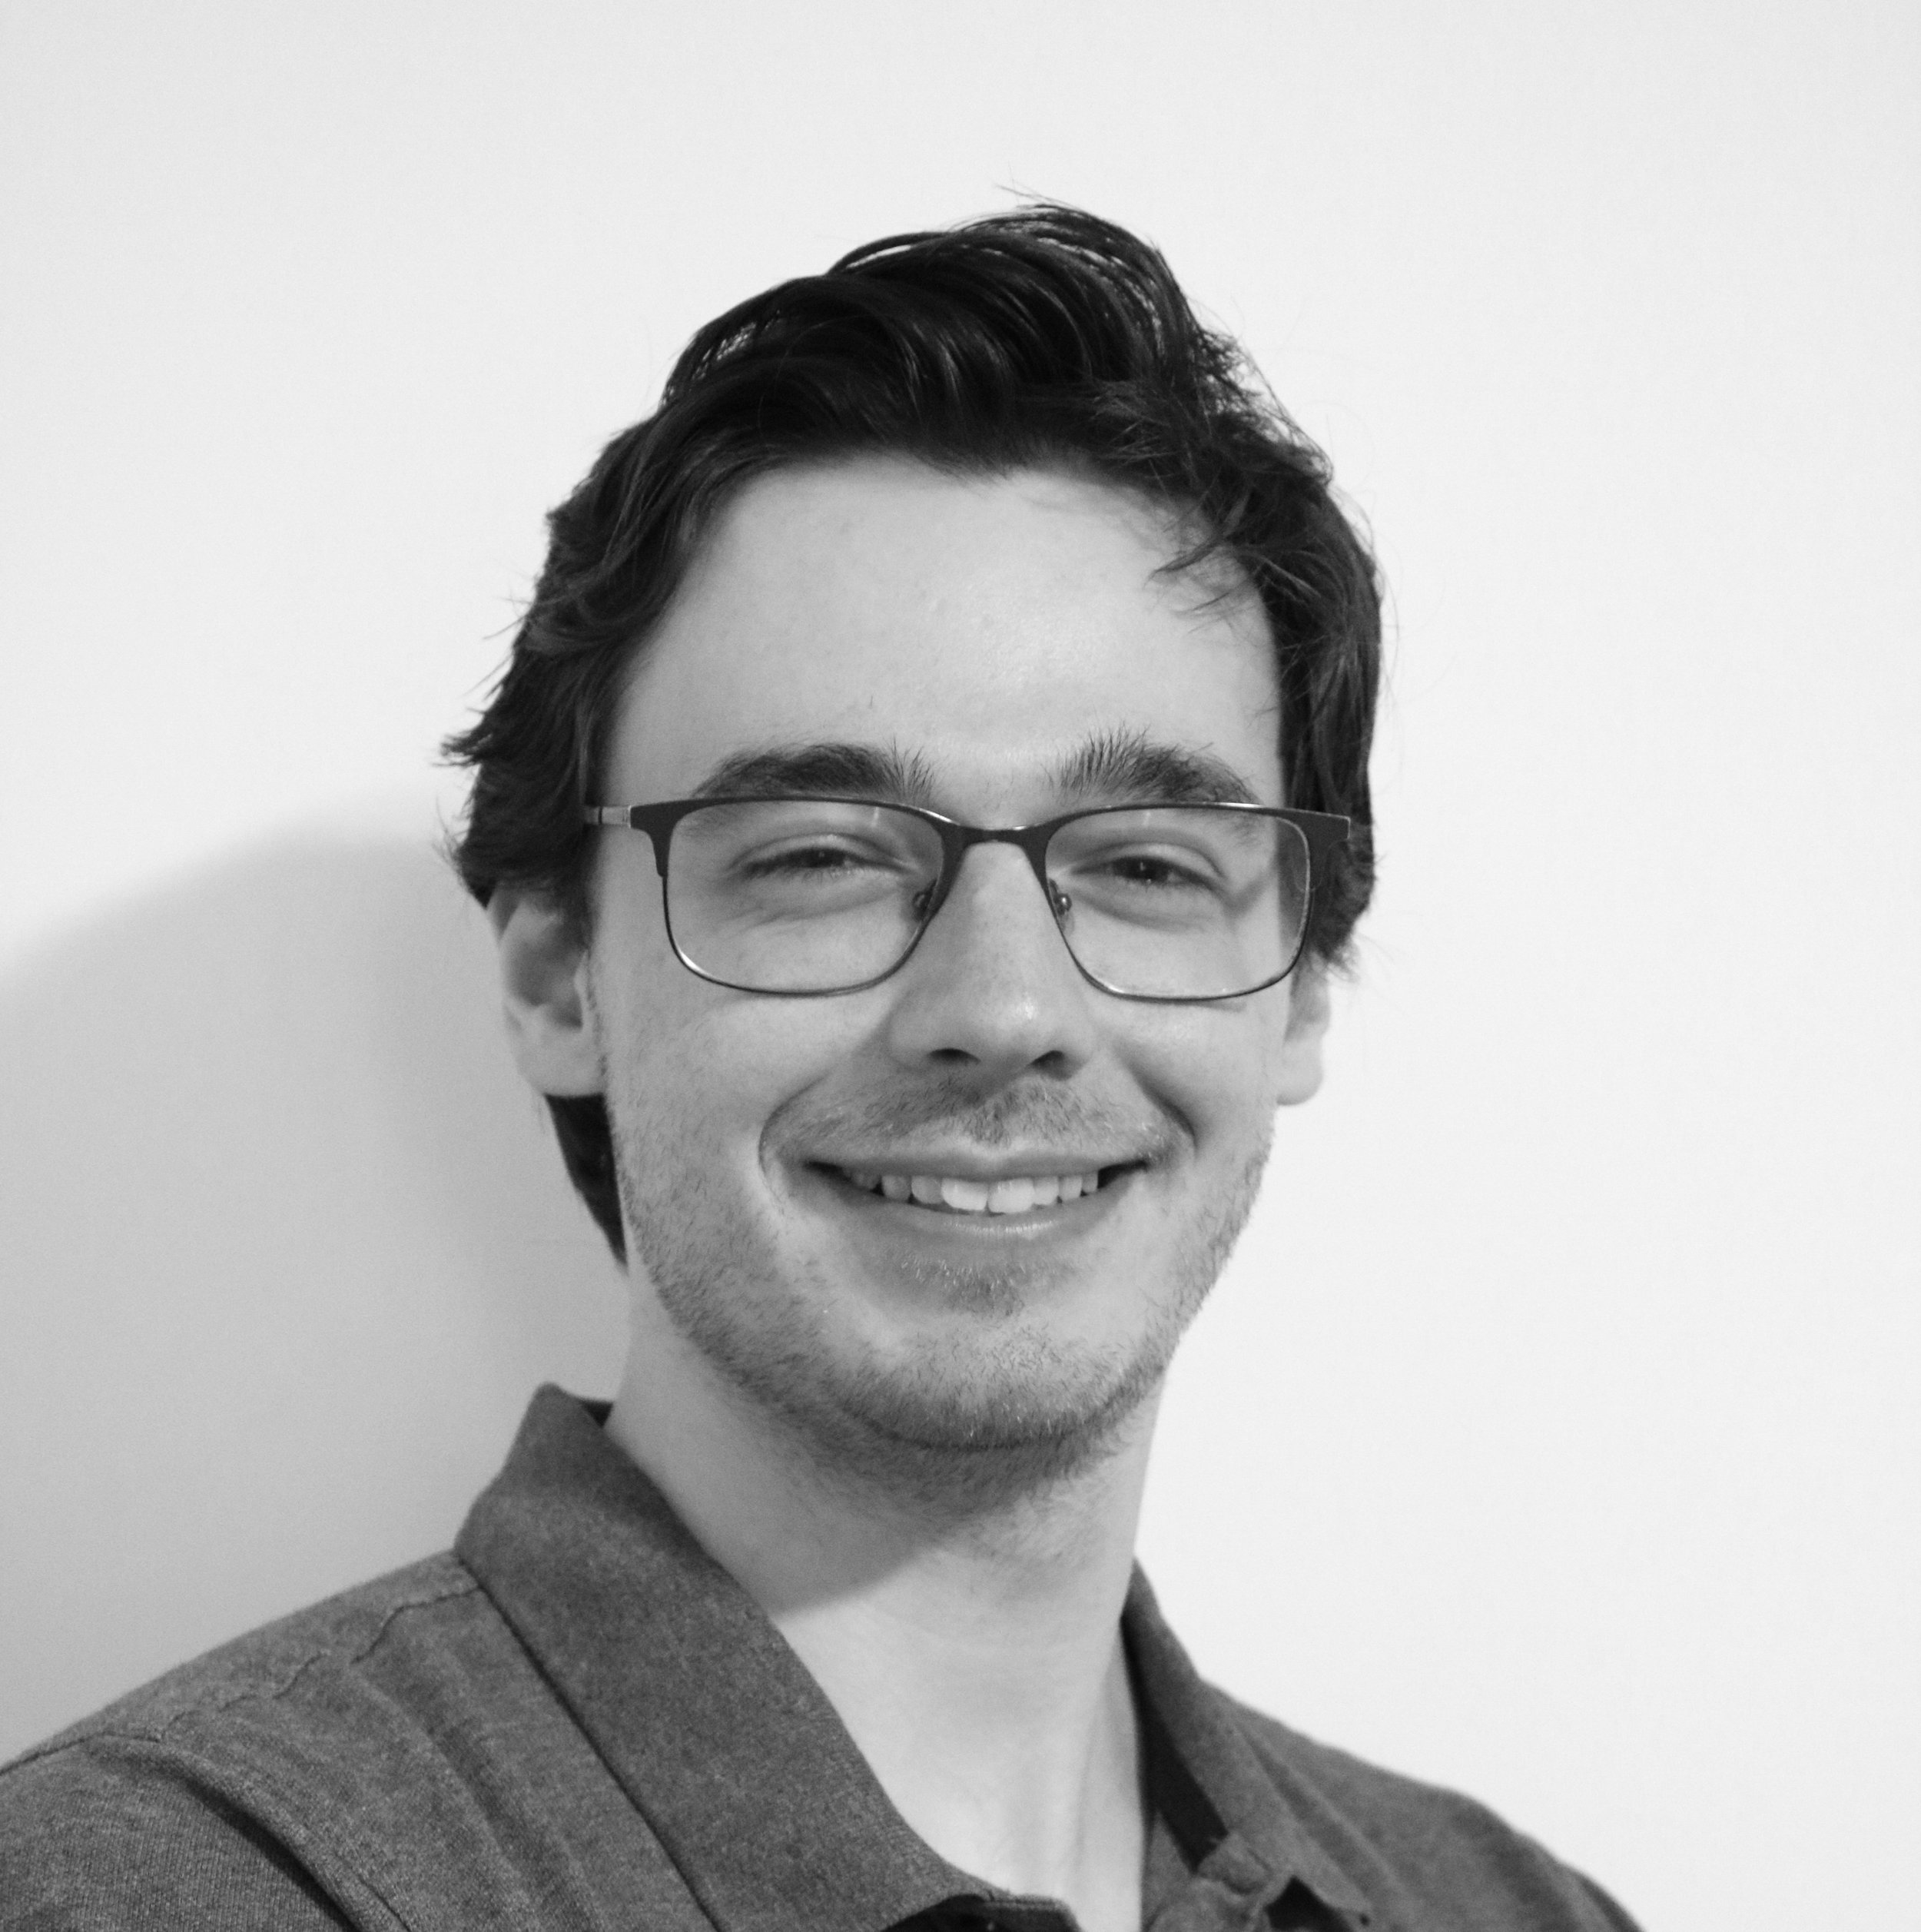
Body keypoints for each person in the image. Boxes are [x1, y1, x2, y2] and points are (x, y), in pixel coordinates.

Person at [0, 207, 1640, 1931]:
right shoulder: (162, 1890)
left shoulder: (1511, 1906)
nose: (1002, 1010)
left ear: (1295, 994)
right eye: (818, 857)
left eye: (1148, 863)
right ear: (563, 973)